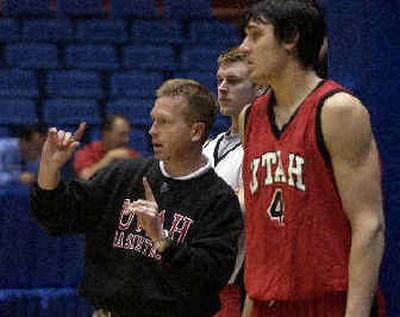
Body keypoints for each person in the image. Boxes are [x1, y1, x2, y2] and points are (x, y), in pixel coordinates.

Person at [31, 79, 243, 317]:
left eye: (164, 122)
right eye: (154, 119)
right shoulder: (122, 176)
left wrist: (162, 240)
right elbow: (57, 217)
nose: (152, 130)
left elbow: (208, 280)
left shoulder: (219, 201)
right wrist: (49, 169)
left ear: (196, 131)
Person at [238, 1, 385, 317]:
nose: (243, 48)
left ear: (290, 38)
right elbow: (258, 227)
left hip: (330, 300)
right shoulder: (250, 117)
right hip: (268, 299)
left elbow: (368, 224)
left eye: (254, 36)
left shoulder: (338, 110)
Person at [202, 47, 265, 317]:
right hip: (194, 285)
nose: (223, 88)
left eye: (234, 81)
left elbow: (243, 210)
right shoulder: (207, 146)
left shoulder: (265, 147)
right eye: (219, 80)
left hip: (237, 288)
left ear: (261, 87)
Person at [73, 114, 140, 180]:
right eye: (121, 135)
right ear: (106, 134)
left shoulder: (131, 155)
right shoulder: (87, 152)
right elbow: (85, 178)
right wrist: (109, 157)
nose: (126, 139)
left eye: (127, 135)